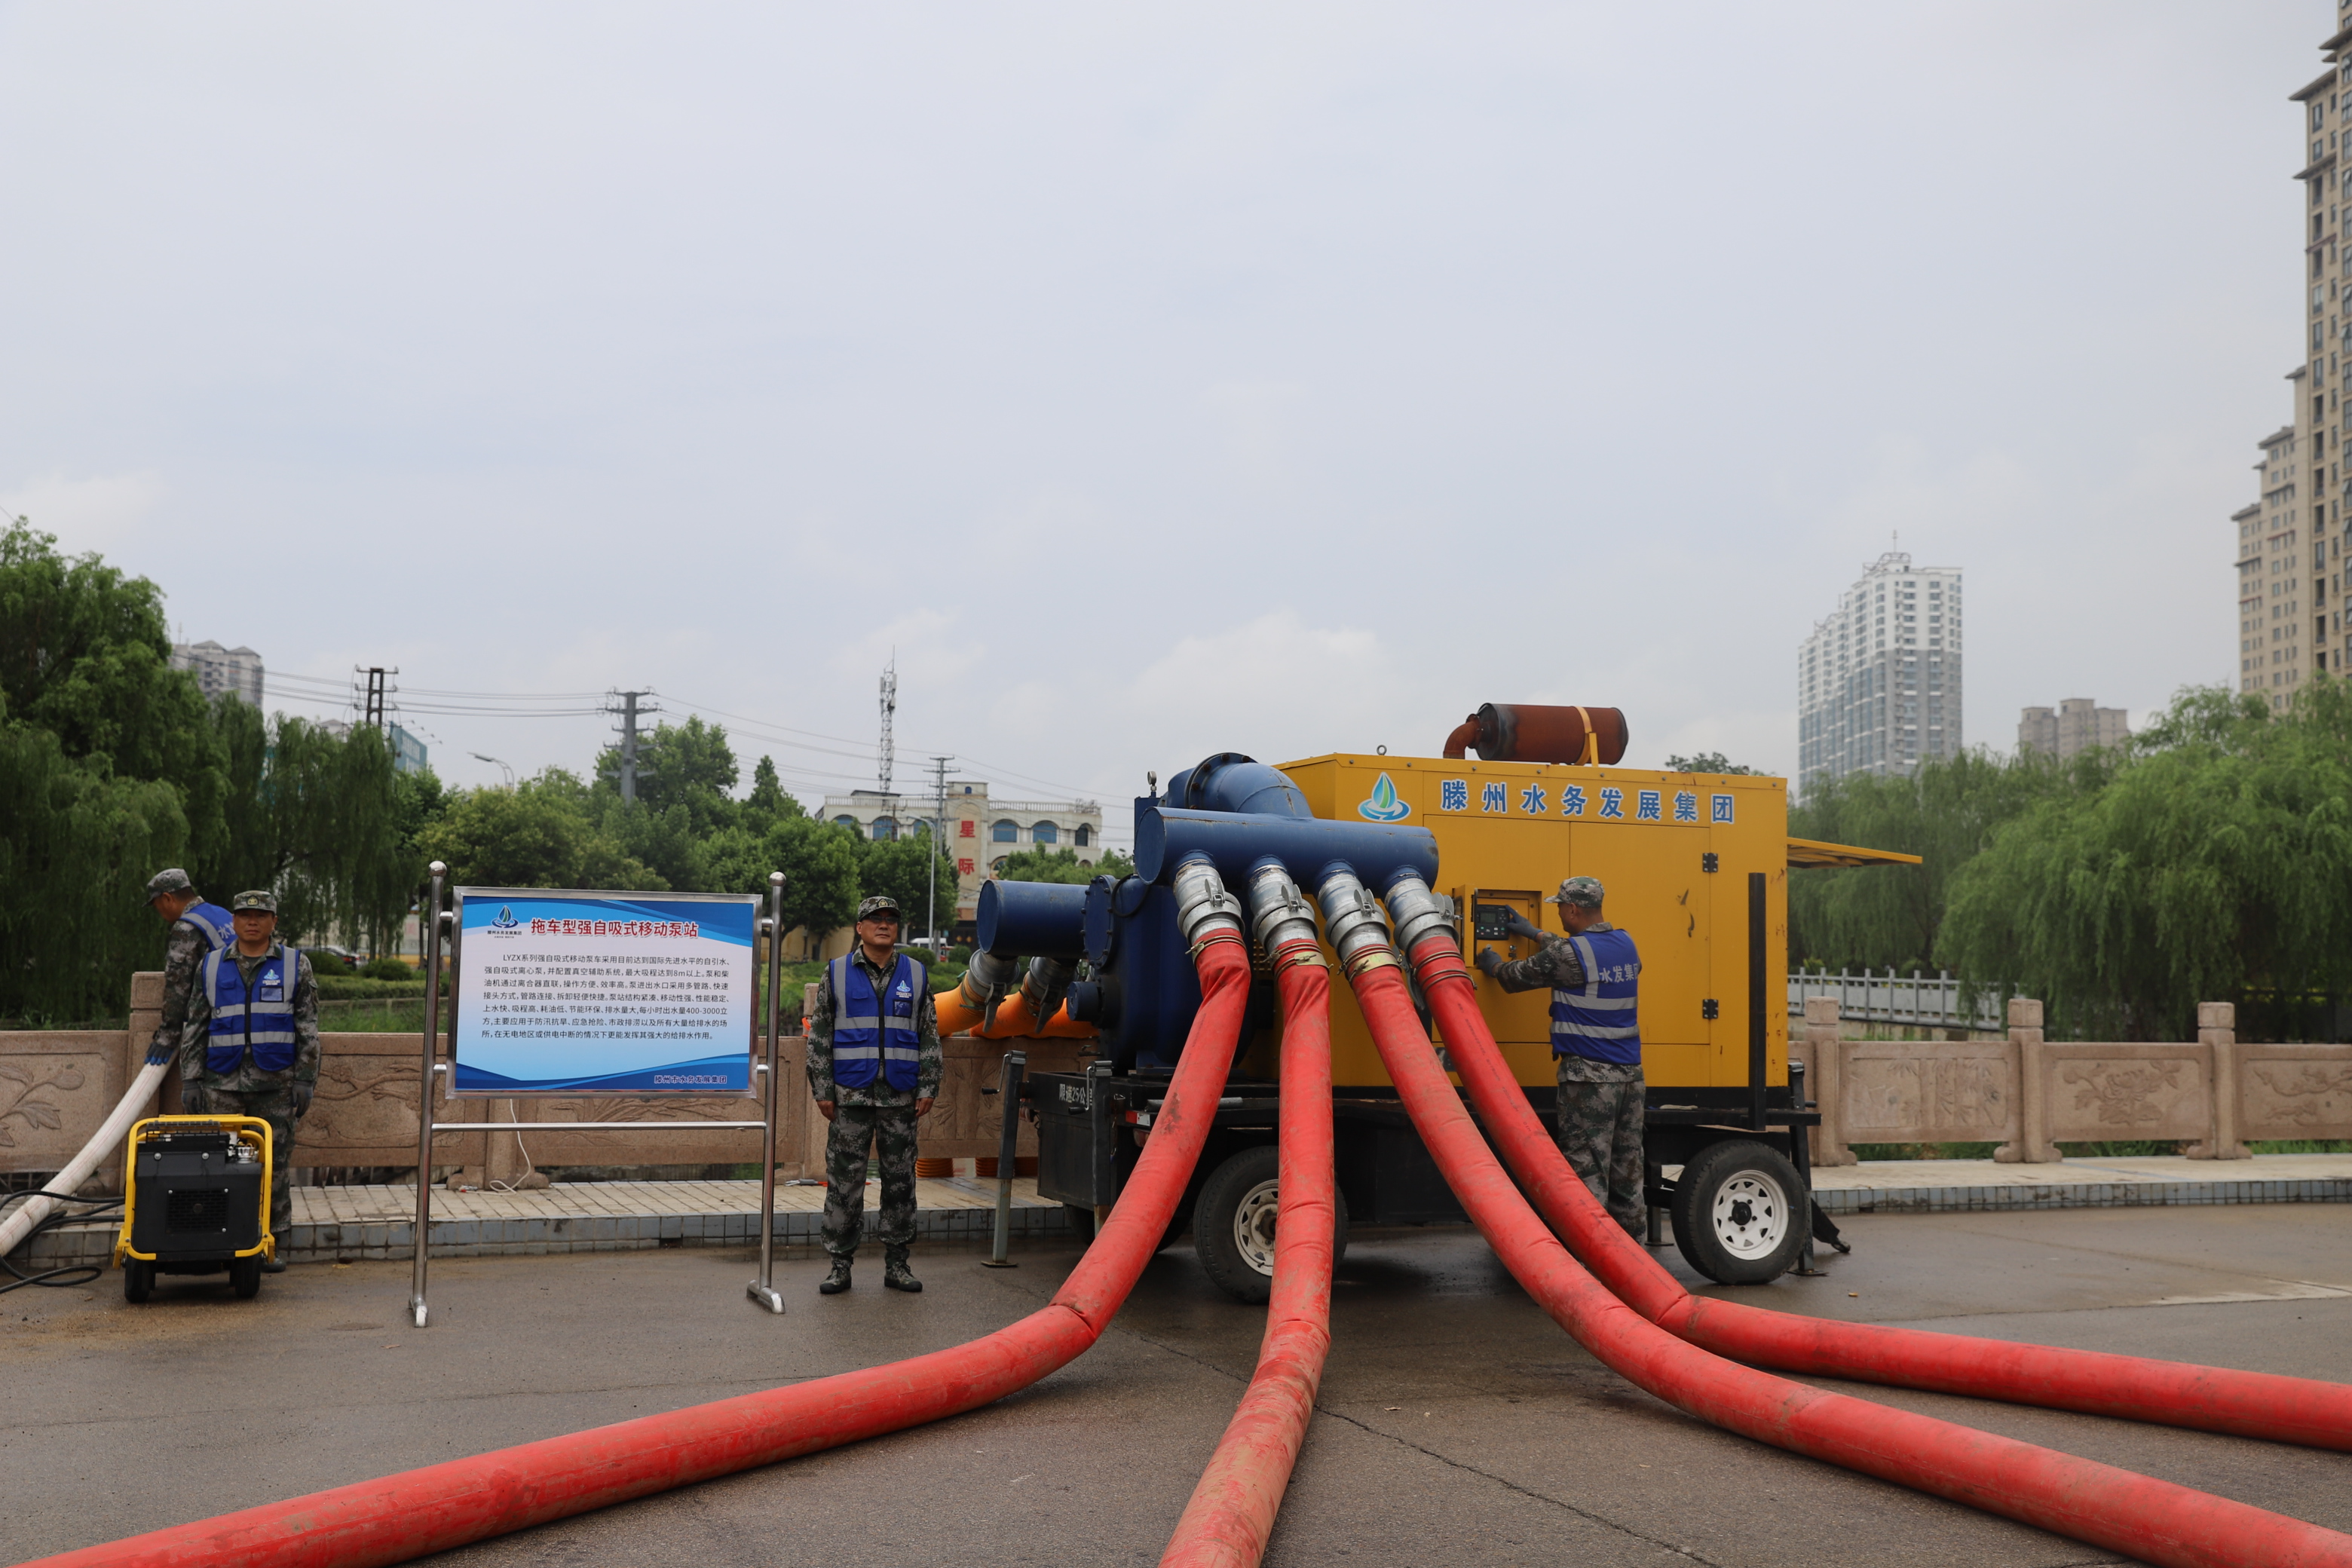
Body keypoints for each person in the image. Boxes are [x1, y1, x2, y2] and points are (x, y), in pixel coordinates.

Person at [1477, 875, 1646, 1236]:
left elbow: (1514, 977)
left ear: (1572, 909)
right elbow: (1581, 956)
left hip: (1589, 1080)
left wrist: (1491, 964)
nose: (1558, 914)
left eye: (1559, 908)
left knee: (1587, 1174)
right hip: (1631, 1078)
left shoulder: (1569, 954)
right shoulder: (1626, 944)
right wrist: (1535, 933)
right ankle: (1633, 1255)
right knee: (1627, 1170)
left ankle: (1590, 1256)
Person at [805, 893, 941, 1294]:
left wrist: (929, 1085)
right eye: (875, 919)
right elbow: (820, 1035)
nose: (884, 924)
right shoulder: (836, 972)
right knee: (845, 1184)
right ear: (859, 928)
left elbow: (929, 1034)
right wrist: (823, 1089)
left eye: (890, 919)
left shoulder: (916, 973)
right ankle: (839, 1265)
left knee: (900, 1183)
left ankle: (897, 1264)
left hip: (901, 1097)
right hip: (851, 1096)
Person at [182, 890, 320, 1270]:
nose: (252, 922)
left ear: (274, 921)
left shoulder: (295, 964)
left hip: (276, 1084)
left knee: (274, 1164)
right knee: (219, 1164)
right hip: (220, 1084)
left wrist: (305, 1079)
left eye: (260, 916)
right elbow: (196, 1025)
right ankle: (221, 1240)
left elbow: (308, 1026)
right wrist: (191, 1080)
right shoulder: (211, 965)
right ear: (235, 921)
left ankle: (270, 1243)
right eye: (244, 915)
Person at [142, 868, 237, 1112]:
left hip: (217, 1029)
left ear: (167, 898)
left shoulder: (187, 927)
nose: (161, 914)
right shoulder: (223, 915)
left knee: (210, 1121)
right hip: (246, 1021)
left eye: (157, 906)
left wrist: (168, 1035)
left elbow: (178, 985)